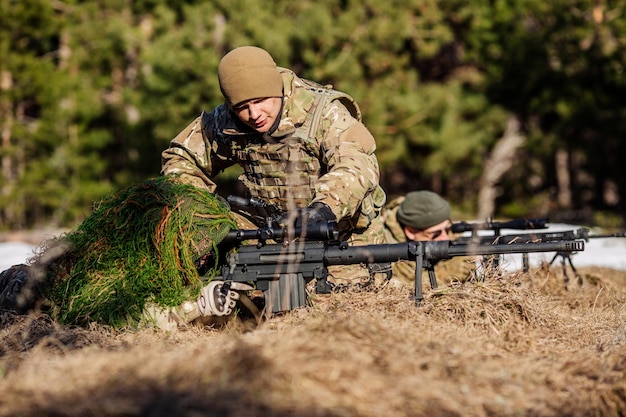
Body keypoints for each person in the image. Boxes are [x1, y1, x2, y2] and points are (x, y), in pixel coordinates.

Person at [161, 46, 387, 289]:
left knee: (329, 313)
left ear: (276, 89)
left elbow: (358, 165)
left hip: (341, 242)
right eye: (242, 107)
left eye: (260, 101)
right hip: (269, 242)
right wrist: (201, 207)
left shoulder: (324, 112)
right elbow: (181, 158)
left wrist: (322, 209)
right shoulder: (225, 121)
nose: (254, 114)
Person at [381, 190, 455, 287]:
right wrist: (446, 272)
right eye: (435, 234)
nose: (445, 237)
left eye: (447, 229)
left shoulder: (446, 236)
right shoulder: (383, 242)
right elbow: (395, 285)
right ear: (411, 232)